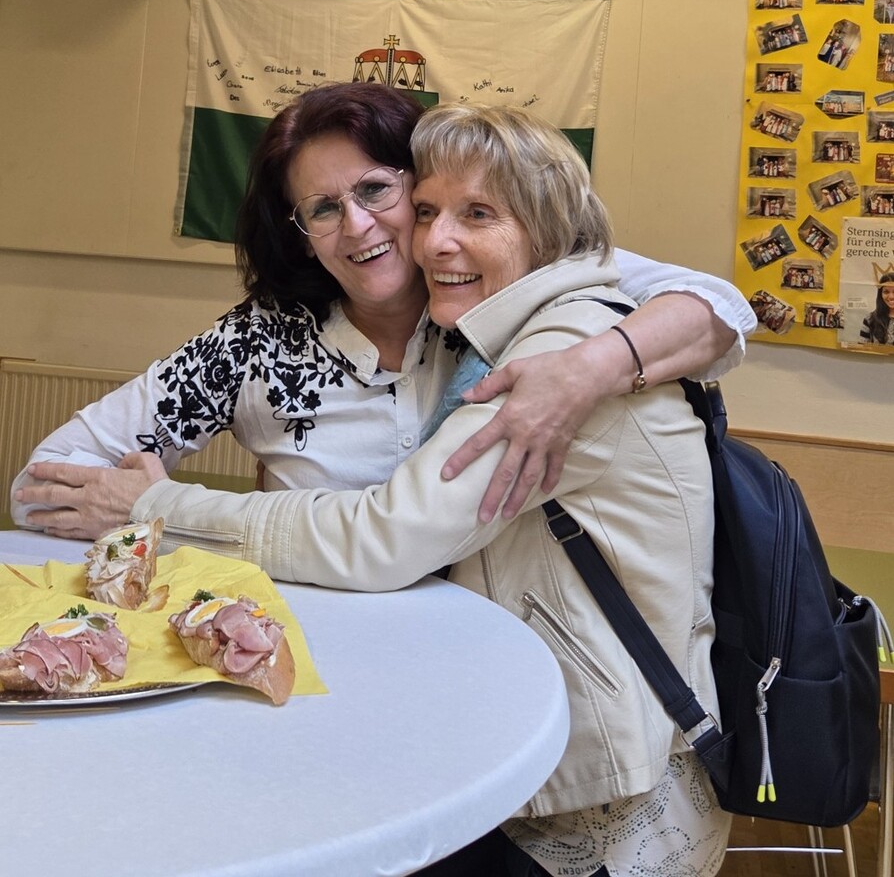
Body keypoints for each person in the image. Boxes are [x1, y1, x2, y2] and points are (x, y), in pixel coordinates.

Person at [60, 102, 730, 876]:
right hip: (479, 736)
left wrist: (155, 506)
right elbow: (51, 472)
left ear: (545, 227)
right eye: (430, 211)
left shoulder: (557, 351)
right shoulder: (459, 330)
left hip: (604, 786)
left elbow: (388, 535)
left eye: (476, 213)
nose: (432, 239)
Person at [12, 83, 754, 538]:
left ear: (421, 187)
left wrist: (591, 368)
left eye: (377, 190)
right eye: (323, 209)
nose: (358, 226)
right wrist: (142, 511)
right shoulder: (258, 343)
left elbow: (717, 306)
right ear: (301, 236)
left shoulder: (499, 290)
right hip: (311, 652)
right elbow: (40, 484)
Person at [859, 272, 894, 345]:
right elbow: (862, 348)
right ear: (880, 294)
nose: (891, 297)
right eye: (886, 292)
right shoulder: (870, 319)